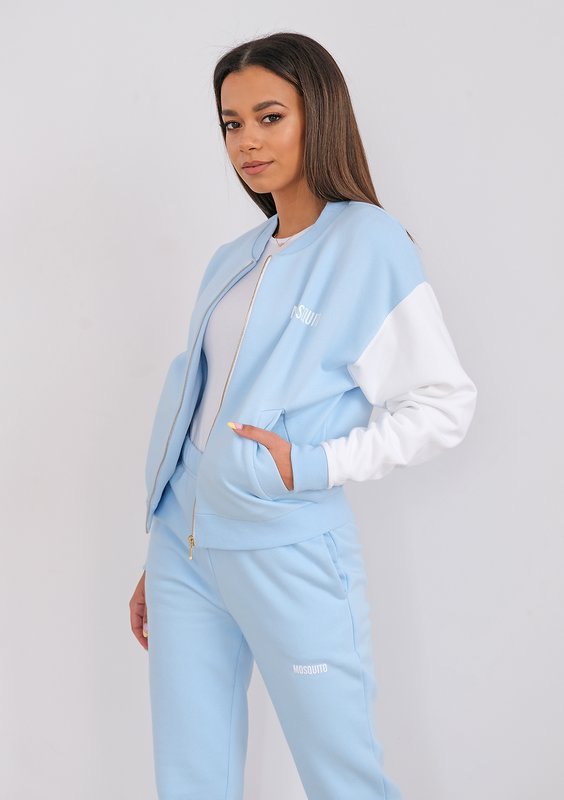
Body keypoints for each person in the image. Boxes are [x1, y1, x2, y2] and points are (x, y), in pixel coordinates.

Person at [129, 30, 477, 800]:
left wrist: (311, 465)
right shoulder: (234, 258)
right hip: (185, 552)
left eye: (269, 117)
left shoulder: (368, 242)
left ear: (318, 114)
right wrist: (164, 544)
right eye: (232, 123)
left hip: (287, 550)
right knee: (189, 781)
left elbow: (444, 403)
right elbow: (201, 406)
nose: (246, 141)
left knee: (342, 778)